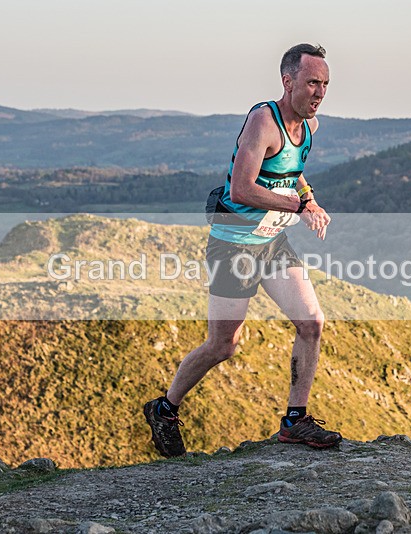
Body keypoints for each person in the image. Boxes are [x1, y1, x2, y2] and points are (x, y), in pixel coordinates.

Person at [144, 43, 340, 457]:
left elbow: (293, 171)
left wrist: (310, 197)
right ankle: (165, 408)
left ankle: (295, 421)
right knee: (224, 345)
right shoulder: (262, 121)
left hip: (271, 243)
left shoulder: (310, 127)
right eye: (311, 83)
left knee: (312, 323)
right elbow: (241, 188)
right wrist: (298, 206)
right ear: (288, 82)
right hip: (233, 245)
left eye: (324, 84)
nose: (319, 92)